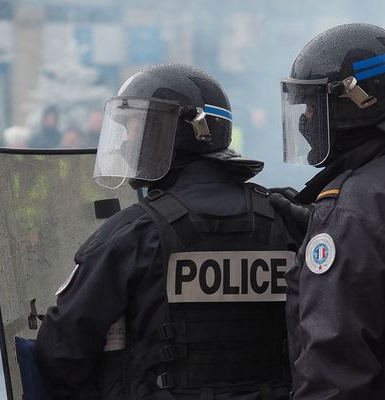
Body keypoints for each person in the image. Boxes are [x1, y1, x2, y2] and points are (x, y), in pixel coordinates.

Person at [36, 64, 299, 399]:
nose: (128, 139)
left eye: (136, 126)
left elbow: (60, 351)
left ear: (181, 131)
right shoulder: (287, 220)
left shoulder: (134, 233)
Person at [271, 23, 385, 399]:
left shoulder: (354, 208)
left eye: (311, 105)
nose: (306, 119)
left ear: (358, 100)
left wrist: (336, 227)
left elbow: (334, 370)